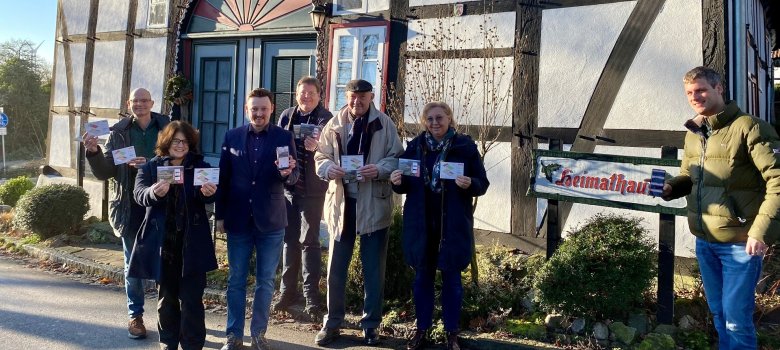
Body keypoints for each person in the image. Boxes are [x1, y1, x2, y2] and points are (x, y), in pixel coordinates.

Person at [662, 66, 780, 349]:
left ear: (719, 89)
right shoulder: (693, 132)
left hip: (740, 243)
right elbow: (690, 177)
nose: (695, 97)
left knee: (736, 319)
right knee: (719, 314)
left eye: (701, 90)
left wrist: (759, 232)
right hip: (705, 241)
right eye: (689, 92)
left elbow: (777, 181)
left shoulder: (750, 128)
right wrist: (671, 188)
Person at [390, 101, 489, 350]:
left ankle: (451, 333)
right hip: (422, 224)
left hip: (452, 224)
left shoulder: (464, 148)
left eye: (440, 118)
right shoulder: (415, 147)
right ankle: (421, 330)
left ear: (449, 119)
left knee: (452, 280)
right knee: (422, 278)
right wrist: (396, 181)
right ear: (425, 122)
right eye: (430, 119)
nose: (435, 123)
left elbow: (483, 183)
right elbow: (404, 184)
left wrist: (471, 184)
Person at [313, 79, 404, 346]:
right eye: (353, 98)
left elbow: (397, 156)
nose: (357, 103)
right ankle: (332, 323)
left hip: (374, 204)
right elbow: (320, 157)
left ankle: (371, 325)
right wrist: (329, 169)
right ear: (347, 97)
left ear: (371, 97)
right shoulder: (335, 124)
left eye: (362, 98)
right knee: (336, 269)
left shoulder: (384, 124)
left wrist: (379, 169)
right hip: (342, 206)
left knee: (373, 270)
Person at [83, 87, 170, 339]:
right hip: (129, 208)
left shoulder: (168, 127)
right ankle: (136, 316)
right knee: (132, 266)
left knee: (165, 262)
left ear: (153, 102)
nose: (140, 104)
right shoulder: (118, 132)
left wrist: (153, 165)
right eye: (136, 101)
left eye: (145, 100)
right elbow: (104, 172)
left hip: (161, 204)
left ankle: (168, 315)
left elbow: (179, 158)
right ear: (128, 103)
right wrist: (93, 151)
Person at [216, 88, 298, 350]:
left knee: (265, 281)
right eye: (255, 109)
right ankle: (233, 335)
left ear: (272, 108)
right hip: (238, 219)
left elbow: (293, 178)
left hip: (271, 221)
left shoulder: (284, 136)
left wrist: (287, 174)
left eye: (264, 108)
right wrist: (219, 215)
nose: (259, 113)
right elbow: (223, 179)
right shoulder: (232, 137)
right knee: (236, 280)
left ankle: (259, 334)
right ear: (246, 110)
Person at [129, 121, 218, 350]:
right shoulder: (150, 167)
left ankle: (192, 345)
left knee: (192, 301)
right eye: (176, 140)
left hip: (192, 244)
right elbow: (139, 194)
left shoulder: (200, 166)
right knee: (166, 300)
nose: (181, 145)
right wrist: (153, 192)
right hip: (164, 245)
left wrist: (209, 194)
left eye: (185, 141)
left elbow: (207, 198)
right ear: (166, 142)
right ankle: (168, 343)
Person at [273, 76, 333, 317]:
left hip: (313, 189)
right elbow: (278, 144)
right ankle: (287, 291)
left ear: (319, 95)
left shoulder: (326, 118)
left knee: (309, 242)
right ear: (296, 94)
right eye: (302, 93)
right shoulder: (287, 115)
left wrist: (317, 147)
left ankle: (311, 297)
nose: (306, 96)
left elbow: (334, 151)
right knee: (289, 240)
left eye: (311, 93)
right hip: (289, 187)